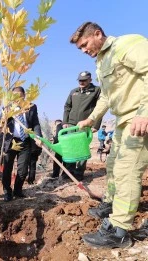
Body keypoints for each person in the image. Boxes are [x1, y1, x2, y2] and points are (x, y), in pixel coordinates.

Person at [70, 21, 148, 248]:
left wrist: (145, 112)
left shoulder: (126, 44)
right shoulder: (101, 62)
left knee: (127, 170)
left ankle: (119, 230)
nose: (84, 50)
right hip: (123, 121)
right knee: (113, 166)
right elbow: (106, 97)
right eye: (80, 48)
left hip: (138, 119)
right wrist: (91, 118)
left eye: (85, 44)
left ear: (97, 34)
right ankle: (111, 203)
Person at [0, 87, 42, 202]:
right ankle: (7, 191)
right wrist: (3, 119)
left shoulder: (31, 107)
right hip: (10, 142)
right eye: (14, 96)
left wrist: (38, 136)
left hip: (25, 141)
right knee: (7, 168)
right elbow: (0, 123)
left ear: (24, 95)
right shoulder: (7, 108)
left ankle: (17, 190)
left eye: (19, 96)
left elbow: (36, 123)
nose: (17, 99)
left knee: (23, 170)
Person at [63, 71, 102, 181]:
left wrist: (96, 125)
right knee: (70, 148)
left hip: (85, 124)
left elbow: (100, 109)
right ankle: (68, 171)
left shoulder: (96, 91)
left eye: (84, 80)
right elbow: (67, 107)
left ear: (90, 80)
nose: (82, 82)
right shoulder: (73, 92)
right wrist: (65, 122)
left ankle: (79, 172)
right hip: (71, 124)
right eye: (80, 80)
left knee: (82, 148)